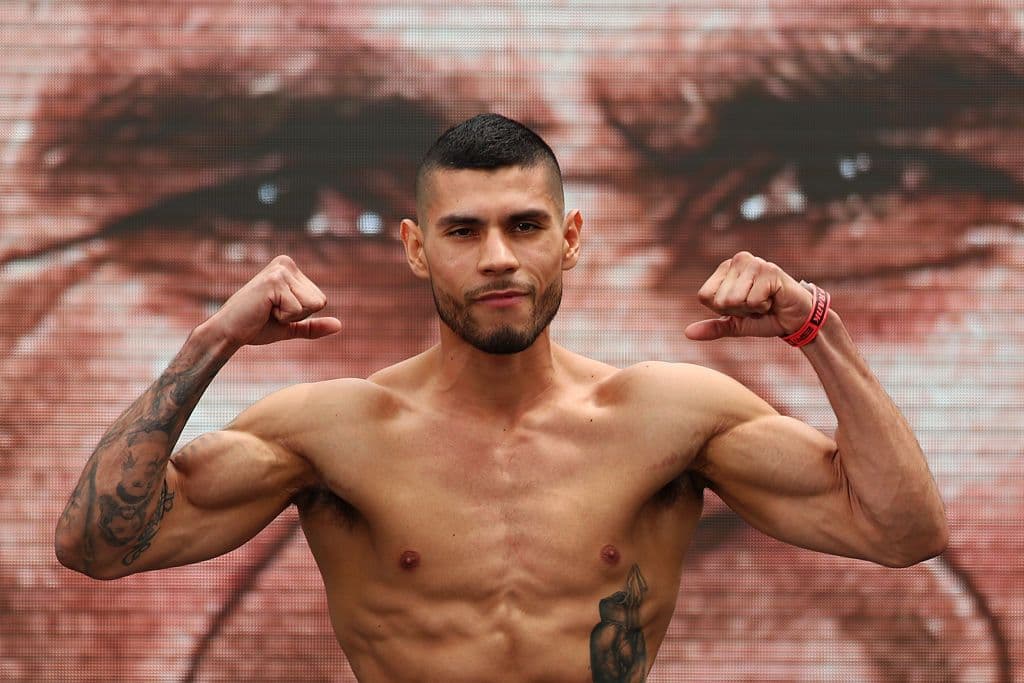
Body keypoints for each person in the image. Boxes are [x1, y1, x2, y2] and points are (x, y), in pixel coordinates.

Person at [3, 1, 1021, 680]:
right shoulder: (328, 431)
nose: (498, 258)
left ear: (566, 239)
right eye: (463, 231)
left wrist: (815, 328)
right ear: (416, 249)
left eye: (525, 227)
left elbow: (899, 529)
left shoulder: (674, 417)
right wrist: (212, 338)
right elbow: (96, 545)